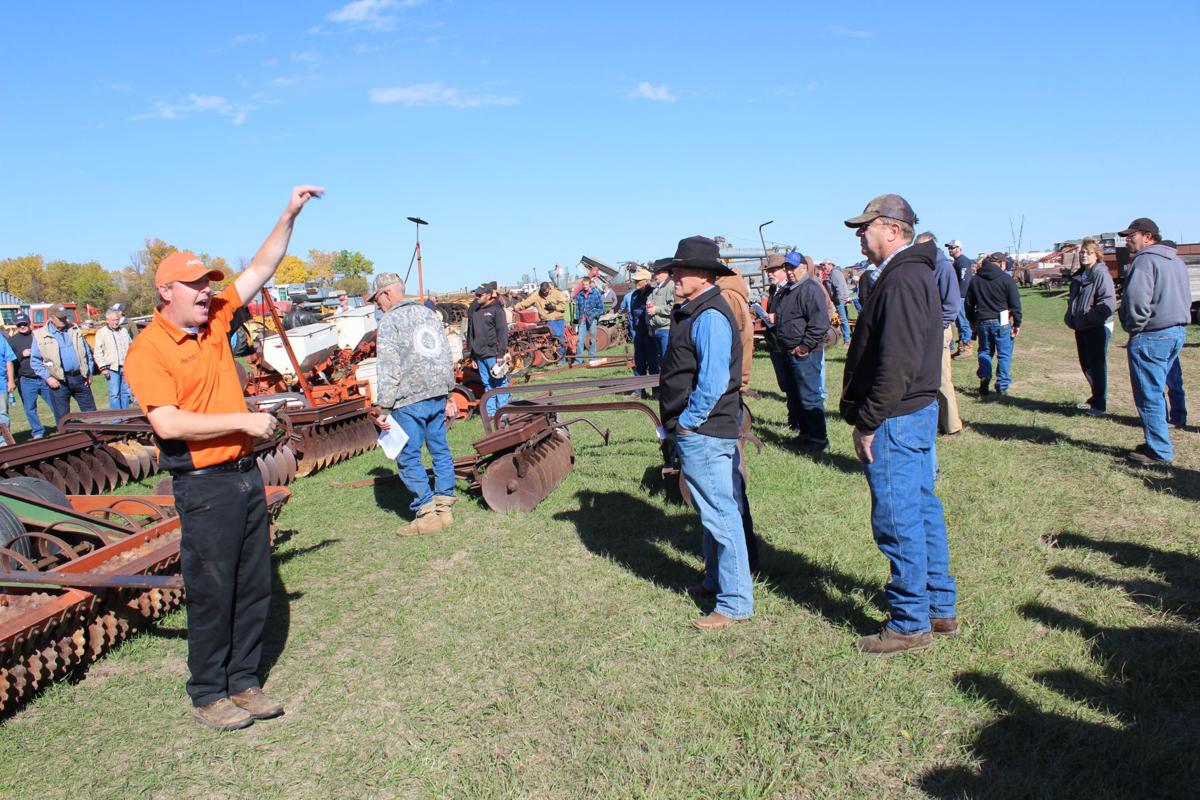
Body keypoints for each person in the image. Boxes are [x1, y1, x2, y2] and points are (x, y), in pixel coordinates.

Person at [124, 184, 324, 731]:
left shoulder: (213, 322)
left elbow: (263, 264)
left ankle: (245, 682)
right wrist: (242, 421)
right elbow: (166, 422)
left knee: (254, 582)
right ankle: (209, 692)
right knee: (214, 589)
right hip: (204, 484)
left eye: (210, 284)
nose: (208, 294)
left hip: (242, 475)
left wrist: (288, 213)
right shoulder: (149, 351)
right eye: (196, 286)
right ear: (166, 292)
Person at [840, 194, 957, 656]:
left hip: (896, 417)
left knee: (898, 518)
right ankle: (938, 607)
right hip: (911, 412)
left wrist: (868, 421)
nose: (858, 234)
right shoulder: (909, 273)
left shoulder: (904, 278)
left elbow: (898, 362)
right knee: (921, 509)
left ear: (892, 229)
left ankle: (910, 621)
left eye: (864, 226)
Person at [659, 236, 752, 631]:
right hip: (703, 430)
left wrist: (688, 422)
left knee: (720, 513)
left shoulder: (710, 315)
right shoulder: (694, 310)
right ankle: (716, 581)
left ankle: (733, 602)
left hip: (705, 430)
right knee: (710, 509)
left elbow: (712, 383)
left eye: (681, 271)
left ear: (703, 274)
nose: (674, 277)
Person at [370, 272, 458, 536]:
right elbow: (445, 353)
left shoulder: (389, 321)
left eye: (377, 299)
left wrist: (383, 407)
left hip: (408, 400)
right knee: (440, 451)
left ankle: (427, 515)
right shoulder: (429, 314)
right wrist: (449, 392)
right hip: (436, 394)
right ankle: (445, 508)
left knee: (408, 457)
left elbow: (388, 367)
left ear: (386, 293)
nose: (377, 305)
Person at [1117, 217, 1190, 463]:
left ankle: (1159, 450)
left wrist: (1132, 327)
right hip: (1176, 331)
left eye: (1132, 235)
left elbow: (1137, 301)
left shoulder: (1145, 261)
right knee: (1159, 390)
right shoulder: (1176, 261)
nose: (1128, 239)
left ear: (1148, 236)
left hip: (1151, 335)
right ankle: (1158, 441)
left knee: (1149, 394)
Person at [775, 251, 831, 452]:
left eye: (793, 267)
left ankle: (818, 439)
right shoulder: (789, 290)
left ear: (803, 268)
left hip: (804, 352)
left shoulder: (810, 289)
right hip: (789, 351)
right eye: (787, 267)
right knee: (797, 396)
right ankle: (805, 434)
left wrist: (805, 346)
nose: (789, 272)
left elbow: (819, 322)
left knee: (809, 396)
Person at [916, 232, 964, 436]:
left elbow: (952, 305)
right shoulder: (924, 267)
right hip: (924, 331)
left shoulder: (943, 267)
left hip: (938, 331)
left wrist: (938, 326)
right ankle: (934, 422)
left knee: (942, 379)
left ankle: (952, 426)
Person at [1064, 238, 1117, 416]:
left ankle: (1100, 404)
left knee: (1097, 365)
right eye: (1082, 252)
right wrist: (1070, 317)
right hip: (1081, 327)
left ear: (1097, 255)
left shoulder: (1101, 274)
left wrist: (1089, 319)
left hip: (1097, 326)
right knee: (1086, 364)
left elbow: (1107, 302)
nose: (1084, 255)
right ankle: (1095, 397)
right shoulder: (1080, 276)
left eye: (1088, 252)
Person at [964, 252, 1022, 397]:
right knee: (1004, 353)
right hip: (1001, 321)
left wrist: (972, 322)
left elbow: (969, 304)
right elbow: (1015, 304)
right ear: (1002, 263)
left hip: (982, 321)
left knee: (985, 351)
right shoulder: (1006, 279)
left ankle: (984, 377)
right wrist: (1017, 323)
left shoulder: (976, 279)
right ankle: (1002, 385)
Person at [31, 304, 96, 423]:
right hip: (59, 381)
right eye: (61, 318)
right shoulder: (40, 335)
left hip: (80, 378)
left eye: (65, 317)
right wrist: (48, 378)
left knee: (92, 413)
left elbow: (87, 353)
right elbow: (35, 362)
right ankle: (68, 439)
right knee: (63, 418)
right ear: (51, 318)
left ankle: (98, 439)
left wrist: (89, 372)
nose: (65, 320)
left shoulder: (75, 330)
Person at [761, 253, 802, 431]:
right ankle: (793, 420)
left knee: (795, 385)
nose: (770, 273)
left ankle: (800, 422)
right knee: (786, 385)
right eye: (768, 270)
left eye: (774, 270)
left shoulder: (791, 289)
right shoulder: (773, 290)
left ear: (784, 271)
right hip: (774, 343)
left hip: (788, 343)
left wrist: (777, 317)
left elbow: (796, 316)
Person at [466, 281, 510, 419]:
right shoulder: (476, 313)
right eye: (476, 294)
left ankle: (503, 412)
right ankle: (491, 413)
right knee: (487, 384)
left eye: (480, 294)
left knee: (500, 382)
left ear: (490, 295)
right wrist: (472, 356)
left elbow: (502, 333)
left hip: (494, 355)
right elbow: (472, 335)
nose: (477, 296)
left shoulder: (497, 311)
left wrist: (501, 353)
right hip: (480, 356)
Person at [7, 313, 52, 438]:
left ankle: (63, 425)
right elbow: (9, 360)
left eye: (24, 324)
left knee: (55, 403)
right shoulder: (13, 340)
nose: (22, 326)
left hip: (44, 377)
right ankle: (38, 432)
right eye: (19, 325)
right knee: (30, 408)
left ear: (29, 322)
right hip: (25, 380)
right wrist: (22, 354)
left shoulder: (37, 336)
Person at [93, 307, 133, 410]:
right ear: (107, 320)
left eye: (117, 320)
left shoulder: (124, 330)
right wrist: (103, 368)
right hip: (111, 368)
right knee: (114, 394)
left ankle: (126, 417)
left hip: (126, 366)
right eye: (113, 320)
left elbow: (131, 346)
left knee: (126, 392)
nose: (116, 322)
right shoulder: (102, 332)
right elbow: (97, 352)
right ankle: (117, 420)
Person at [514, 281, 568, 356]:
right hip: (548, 320)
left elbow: (563, 307)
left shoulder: (557, 293)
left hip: (559, 319)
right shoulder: (536, 295)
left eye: (546, 291)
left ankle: (562, 357)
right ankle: (559, 356)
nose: (544, 293)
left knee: (561, 337)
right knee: (557, 335)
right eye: (543, 291)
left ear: (549, 288)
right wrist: (516, 307)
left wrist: (554, 307)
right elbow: (526, 303)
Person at [626, 268, 660, 379]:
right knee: (639, 362)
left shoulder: (653, 293)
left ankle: (656, 391)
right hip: (638, 332)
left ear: (646, 281)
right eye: (635, 280)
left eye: (638, 280)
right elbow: (632, 311)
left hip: (650, 332)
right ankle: (639, 391)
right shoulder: (634, 295)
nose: (636, 283)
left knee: (653, 361)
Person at [946, 240, 975, 358]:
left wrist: (959, 296)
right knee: (960, 323)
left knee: (963, 322)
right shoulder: (958, 261)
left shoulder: (962, 262)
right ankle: (962, 346)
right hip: (960, 296)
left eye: (952, 248)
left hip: (961, 297)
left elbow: (965, 281)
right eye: (949, 248)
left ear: (958, 248)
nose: (950, 250)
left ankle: (966, 348)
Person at [645, 260, 675, 361]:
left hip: (666, 329)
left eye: (657, 273)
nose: (655, 276)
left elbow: (673, 307)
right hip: (656, 329)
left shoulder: (671, 286)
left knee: (666, 360)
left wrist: (656, 309)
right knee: (661, 359)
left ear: (666, 272)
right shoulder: (657, 287)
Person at [573, 277, 604, 365]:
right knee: (580, 340)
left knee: (592, 339)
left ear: (590, 284)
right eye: (583, 284)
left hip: (592, 319)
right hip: (582, 320)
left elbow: (601, 308)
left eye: (586, 284)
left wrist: (593, 315)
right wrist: (578, 319)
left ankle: (592, 358)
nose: (585, 286)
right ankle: (578, 360)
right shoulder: (579, 295)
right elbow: (577, 309)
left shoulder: (596, 293)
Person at [824, 260, 852, 344]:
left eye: (824, 265)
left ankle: (847, 340)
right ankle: (845, 336)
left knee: (843, 319)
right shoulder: (836, 272)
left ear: (830, 264)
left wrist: (837, 298)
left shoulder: (834, 273)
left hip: (839, 299)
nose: (823, 267)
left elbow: (838, 286)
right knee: (844, 319)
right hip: (842, 298)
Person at [0, 333, 15, 445]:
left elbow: (9, 360)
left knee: (2, 414)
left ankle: (4, 441)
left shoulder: (1, 339)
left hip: (1, 384)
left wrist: (11, 380)